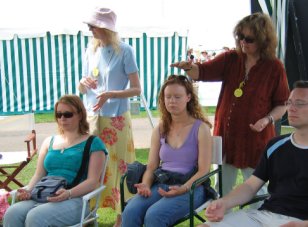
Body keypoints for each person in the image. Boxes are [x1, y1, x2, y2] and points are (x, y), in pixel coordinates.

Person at [171, 12, 290, 200]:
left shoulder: (274, 67)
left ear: (263, 39)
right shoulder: (230, 58)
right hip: (226, 139)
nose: (243, 42)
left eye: (249, 39)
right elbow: (202, 72)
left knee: (257, 195)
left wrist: (267, 120)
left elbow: (282, 104)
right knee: (222, 192)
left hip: (256, 141)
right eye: (240, 37)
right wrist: (188, 68)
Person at [197, 80, 308, 227]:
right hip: (264, 216)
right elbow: (250, 186)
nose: (291, 108)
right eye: (289, 102)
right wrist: (225, 202)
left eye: (299, 103)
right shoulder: (276, 145)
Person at [121, 75, 213, 227]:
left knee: (155, 215)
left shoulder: (200, 128)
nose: (172, 101)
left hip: (192, 187)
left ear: (188, 97)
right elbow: (151, 166)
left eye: (177, 97)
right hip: (162, 183)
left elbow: (203, 170)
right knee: (130, 212)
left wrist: (183, 189)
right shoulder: (160, 129)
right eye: (168, 97)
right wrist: (145, 184)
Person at [3, 95, 107, 227]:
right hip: (44, 194)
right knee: (12, 213)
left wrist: (68, 193)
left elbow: (93, 181)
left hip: (75, 199)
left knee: (35, 217)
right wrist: (29, 191)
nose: (62, 118)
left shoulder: (93, 143)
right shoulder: (49, 141)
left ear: (80, 115)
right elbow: (39, 175)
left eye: (68, 114)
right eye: (59, 114)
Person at [79, 7, 141, 226]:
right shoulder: (90, 50)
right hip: (92, 117)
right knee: (92, 166)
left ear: (106, 28)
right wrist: (82, 83)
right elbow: (83, 86)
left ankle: (122, 216)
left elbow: (137, 89)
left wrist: (111, 94)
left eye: (93, 26)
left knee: (120, 167)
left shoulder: (125, 51)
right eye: (89, 25)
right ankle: (89, 214)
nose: (90, 29)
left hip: (116, 120)